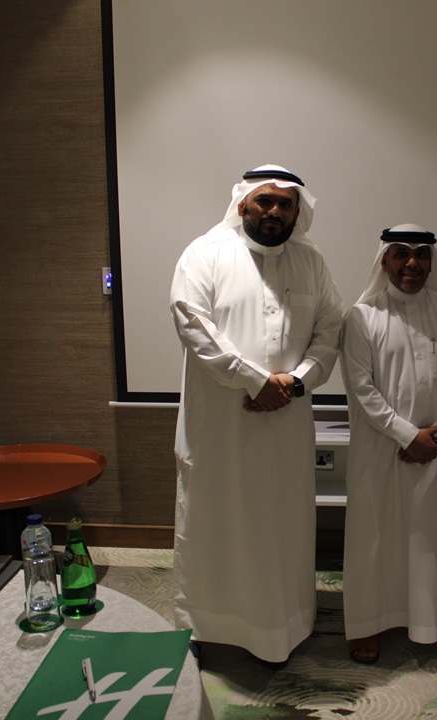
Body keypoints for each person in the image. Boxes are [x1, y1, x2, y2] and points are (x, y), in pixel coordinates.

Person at [169, 165, 343, 667]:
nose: (274, 211)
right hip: (219, 430)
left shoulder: (311, 261)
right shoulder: (205, 253)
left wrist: (298, 380)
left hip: (285, 425)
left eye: (286, 204)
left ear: (297, 211)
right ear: (243, 202)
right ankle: (203, 626)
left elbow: (331, 329)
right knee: (212, 521)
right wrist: (255, 381)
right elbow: (192, 323)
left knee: (281, 525)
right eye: (265, 201)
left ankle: (279, 629)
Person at [340, 224, 437, 664]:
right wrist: (406, 435)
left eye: (421, 255)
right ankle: (369, 623)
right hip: (381, 449)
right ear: (384, 261)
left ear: (432, 262)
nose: (412, 263)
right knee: (376, 536)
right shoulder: (362, 317)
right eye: (401, 253)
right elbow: (361, 387)